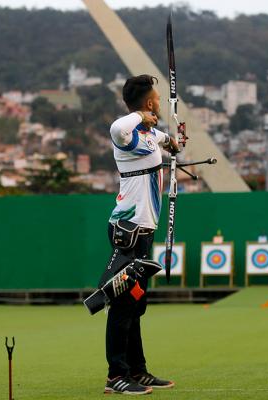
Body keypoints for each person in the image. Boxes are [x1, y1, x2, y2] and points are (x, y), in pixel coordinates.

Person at [103, 74, 179, 395]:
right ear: (148, 104)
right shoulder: (126, 132)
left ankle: (138, 370)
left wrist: (171, 141)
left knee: (136, 304)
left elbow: (156, 139)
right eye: (157, 100)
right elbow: (118, 128)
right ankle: (116, 376)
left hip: (143, 232)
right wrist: (140, 116)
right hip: (127, 231)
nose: (160, 103)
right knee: (122, 305)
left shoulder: (146, 136)